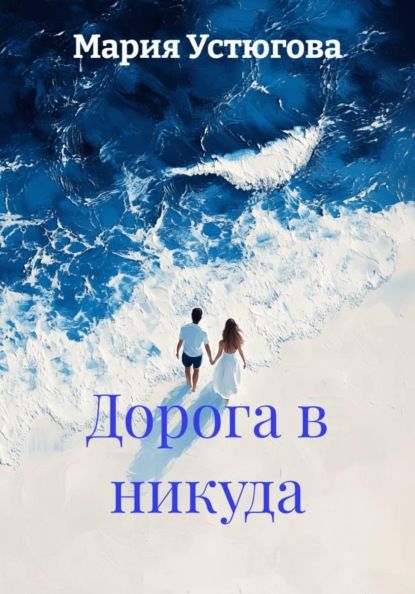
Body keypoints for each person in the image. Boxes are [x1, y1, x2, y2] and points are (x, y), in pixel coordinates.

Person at [176, 307, 212, 392]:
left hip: (186, 354)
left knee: (187, 369)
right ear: (200, 318)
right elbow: (207, 346)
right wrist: (210, 357)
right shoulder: (203, 332)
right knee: (196, 370)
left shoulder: (184, 328)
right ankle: (194, 387)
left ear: (191, 315)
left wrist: (177, 351)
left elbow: (180, 341)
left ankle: (189, 384)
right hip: (198, 356)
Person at [211, 318, 246, 402]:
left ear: (225, 329)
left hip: (225, 361)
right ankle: (227, 395)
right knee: (231, 377)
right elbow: (240, 351)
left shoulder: (222, 342)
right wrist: (244, 361)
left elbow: (219, 354)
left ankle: (224, 395)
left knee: (222, 377)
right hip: (233, 361)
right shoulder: (237, 341)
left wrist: (214, 361)